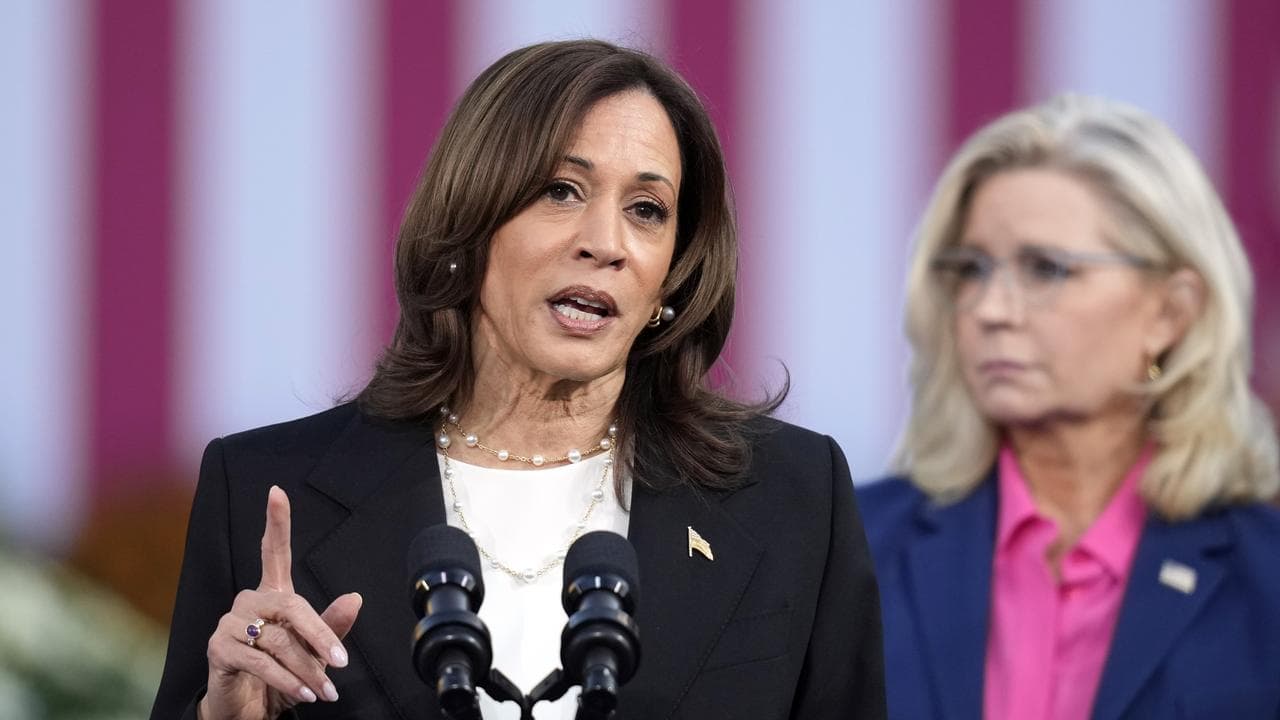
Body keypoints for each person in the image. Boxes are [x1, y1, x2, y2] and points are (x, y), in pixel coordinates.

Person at [151, 39, 885, 720]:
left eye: (647, 210)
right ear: (470, 221)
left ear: (671, 276)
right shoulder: (264, 490)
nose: (605, 243)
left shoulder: (791, 496)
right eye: (562, 190)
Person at [857, 93, 1280, 719]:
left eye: (1046, 269)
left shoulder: (1266, 575)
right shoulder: (849, 551)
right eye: (971, 270)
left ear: (1170, 311)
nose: (991, 310)